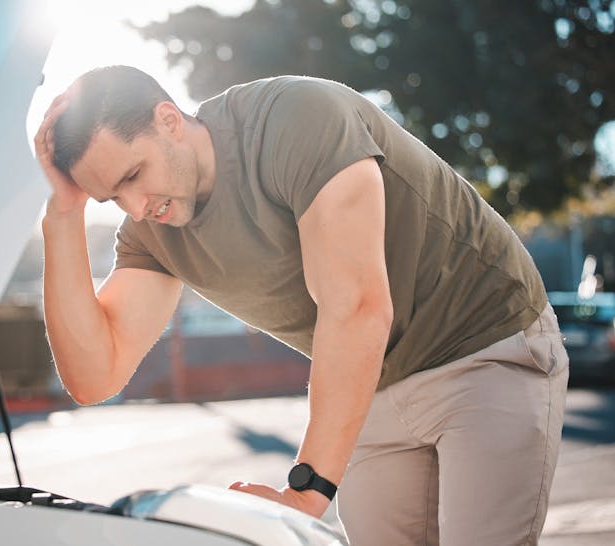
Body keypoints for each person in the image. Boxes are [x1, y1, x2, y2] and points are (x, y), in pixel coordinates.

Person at [34, 65, 568, 545]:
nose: (136, 207)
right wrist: (62, 213)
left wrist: (305, 496)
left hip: (484, 345)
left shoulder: (297, 118)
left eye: (132, 175)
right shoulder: (152, 231)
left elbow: (356, 307)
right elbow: (94, 375)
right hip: (375, 382)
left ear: (169, 120)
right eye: (112, 198)